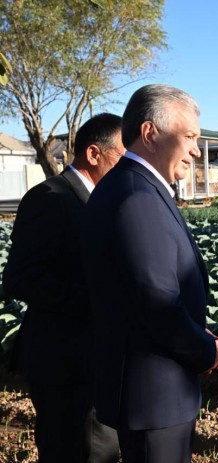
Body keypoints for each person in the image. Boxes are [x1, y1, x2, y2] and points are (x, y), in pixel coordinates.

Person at [81, 84, 218, 463]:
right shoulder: (138, 197)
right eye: (190, 137)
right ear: (150, 134)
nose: (196, 150)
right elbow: (155, 304)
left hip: (151, 393)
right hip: (153, 396)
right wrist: (205, 349)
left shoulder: (130, 186)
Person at [3, 113, 124, 463]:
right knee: (80, 452)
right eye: (121, 156)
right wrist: (99, 301)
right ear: (93, 154)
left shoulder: (100, 202)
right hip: (65, 363)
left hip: (94, 360)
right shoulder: (50, 198)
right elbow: (21, 278)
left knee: (102, 449)